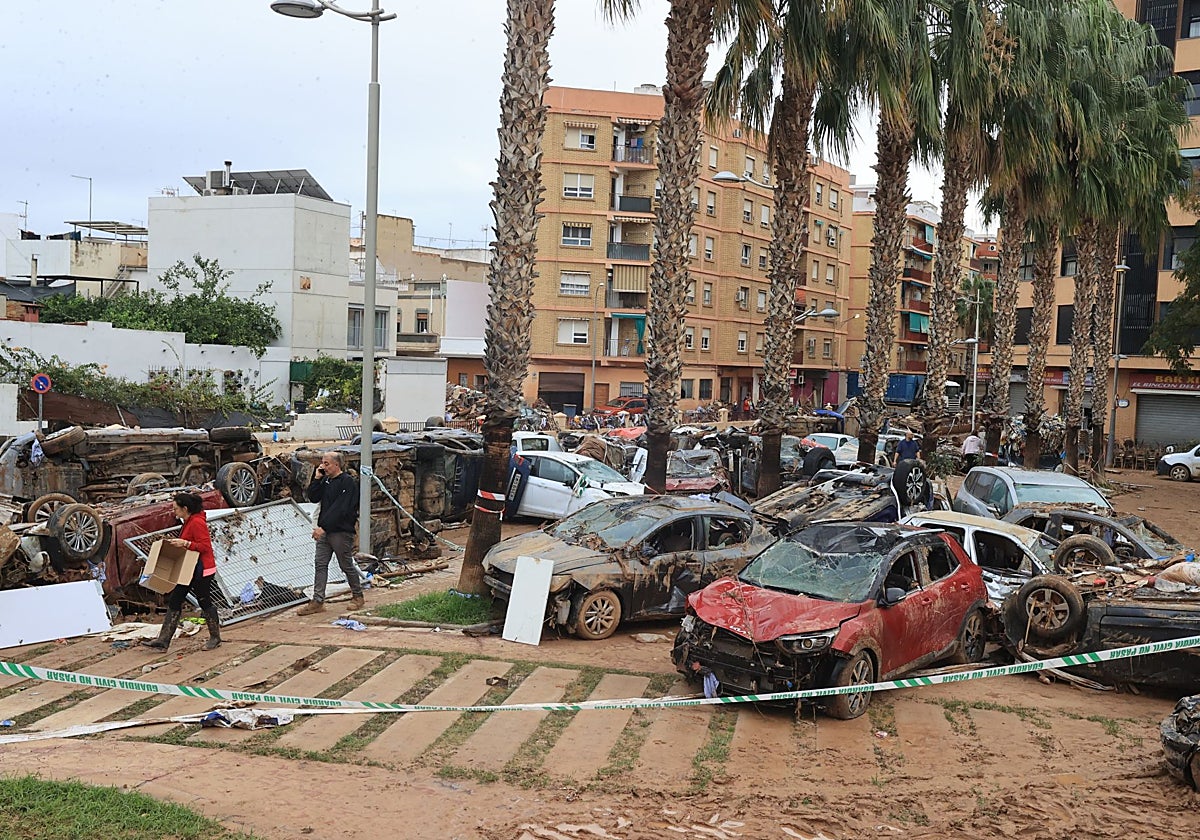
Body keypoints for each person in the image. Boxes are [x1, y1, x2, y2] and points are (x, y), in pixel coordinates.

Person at [141, 492, 220, 651]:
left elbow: (205, 547)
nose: (174, 512)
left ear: (185, 508)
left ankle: (215, 637)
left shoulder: (196, 522)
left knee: (204, 601)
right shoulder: (189, 521)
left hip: (201, 569)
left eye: (176, 509)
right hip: (189, 569)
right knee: (176, 600)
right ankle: (163, 641)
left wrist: (185, 543)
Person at [297, 451, 365, 615]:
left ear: (337, 465)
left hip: (340, 531)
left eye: (326, 463)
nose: (323, 466)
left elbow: (340, 509)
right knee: (320, 564)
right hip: (325, 531)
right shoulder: (326, 480)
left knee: (345, 564)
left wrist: (323, 527)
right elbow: (313, 497)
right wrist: (317, 479)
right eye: (322, 463)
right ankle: (317, 600)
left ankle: (358, 595)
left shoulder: (347, 482)